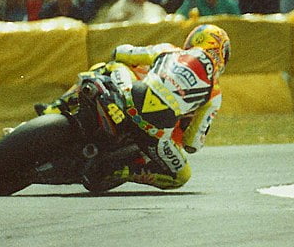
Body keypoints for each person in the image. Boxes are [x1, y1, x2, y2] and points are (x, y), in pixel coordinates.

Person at [45, 23, 230, 191]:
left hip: (130, 98)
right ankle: (120, 171)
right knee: (181, 176)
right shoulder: (215, 93)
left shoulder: (168, 50)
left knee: (110, 66)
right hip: (154, 132)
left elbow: (120, 53)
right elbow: (192, 144)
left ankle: (56, 107)